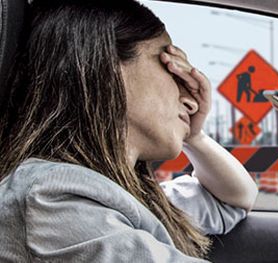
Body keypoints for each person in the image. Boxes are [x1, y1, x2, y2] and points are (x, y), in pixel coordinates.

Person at [0, 0, 258, 262]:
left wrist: (194, 136)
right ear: (108, 66)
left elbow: (234, 200)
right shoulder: (52, 201)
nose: (191, 100)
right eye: (173, 70)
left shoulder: (118, 195)